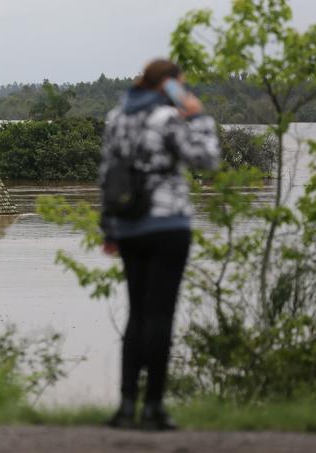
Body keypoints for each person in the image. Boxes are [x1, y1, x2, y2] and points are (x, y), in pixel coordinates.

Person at [99, 59, 220, 430]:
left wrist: (109, 229)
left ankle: (124, 406)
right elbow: (207, 159)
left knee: (137, 314)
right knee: (160, 316)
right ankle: (153, 408)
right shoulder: (169, 118)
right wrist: (198, 117)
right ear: (169, 85)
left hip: (130, 227)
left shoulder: (115, 118)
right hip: (168, 225)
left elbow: (107, 175)